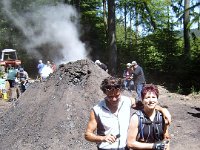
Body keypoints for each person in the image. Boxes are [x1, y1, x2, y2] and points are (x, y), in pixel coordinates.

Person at [84, 77, 171, 150]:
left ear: (121, 91)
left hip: (125, 148)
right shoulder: (97, 110)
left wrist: (162, 109)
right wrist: (103, 138)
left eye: (117, 96)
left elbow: (146, 104)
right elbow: (88, 135)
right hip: (106, 148)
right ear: (105, 93)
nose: (114, 99)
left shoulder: (127, 101)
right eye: (110, 96)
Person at [127, 84, 170, 150]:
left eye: (153, 97)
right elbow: (130, 143)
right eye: (147, 97)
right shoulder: (136, 118)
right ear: (142, 100)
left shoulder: (162, 116)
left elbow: (166, 139)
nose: (151, 100)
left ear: (157, 99)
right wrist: (153, 146)